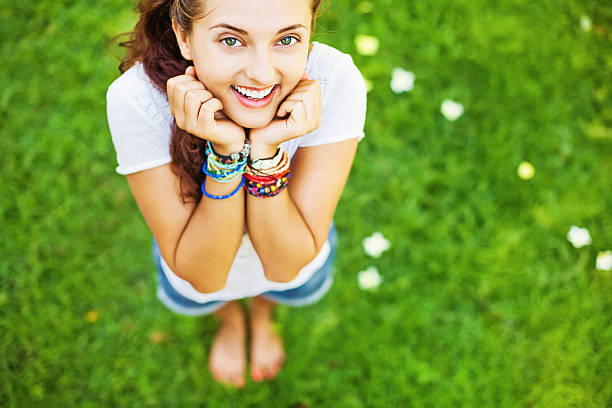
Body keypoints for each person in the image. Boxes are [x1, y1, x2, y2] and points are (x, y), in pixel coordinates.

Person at [106, 0, 367, 388]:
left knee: (278, 288)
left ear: (311, 31)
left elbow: (284, 267)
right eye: (231, 40)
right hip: (198, 269)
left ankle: (261, 314)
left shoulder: (334, 80)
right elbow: (205, 277)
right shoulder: (137, 99)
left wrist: (265, 153)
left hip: (295, 256)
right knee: (216, 296)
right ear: (185, 37)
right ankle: (230, 319)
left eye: (288, 39)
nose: (262, 74)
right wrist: (227, 154)